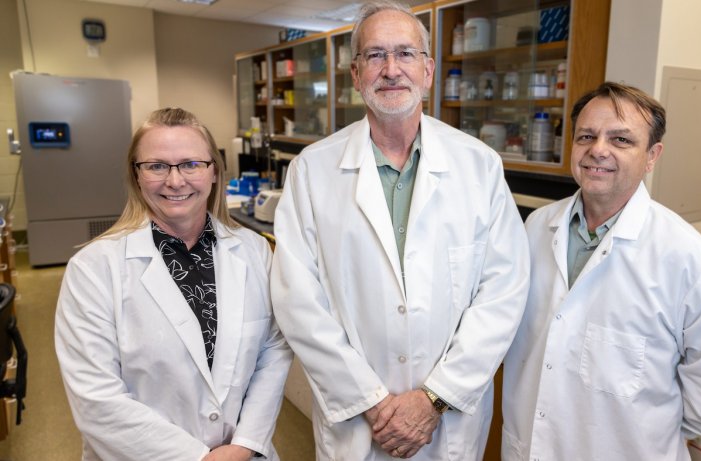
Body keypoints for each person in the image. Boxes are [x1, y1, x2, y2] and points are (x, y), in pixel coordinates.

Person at [269, 1, 530, 459]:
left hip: (446, 422)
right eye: (375, 55)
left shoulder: (479, 165)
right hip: (357, 423)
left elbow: (503, 291)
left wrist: (434, 399)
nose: (391, 70)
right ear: (355, 74)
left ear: (428, 70)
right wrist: (370, 402)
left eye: (406, 54)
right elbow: (297, 298)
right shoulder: (313, 170)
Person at [501, 82, 701, 460]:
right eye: (587, 136)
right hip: (527, 444)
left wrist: (664, 427)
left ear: (652, 155)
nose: (598, 149)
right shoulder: (536, 228)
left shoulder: (684, 255)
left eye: (621, 140)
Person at [55, 108, 292, 461]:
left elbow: (273, 351)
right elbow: (96, 399)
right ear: (136, 176)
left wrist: (245, 445)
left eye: (191, 164)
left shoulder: (254, 250)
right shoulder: (93, 269)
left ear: (214, 172)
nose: (176, 181)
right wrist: (199, 458)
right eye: (157, 166)